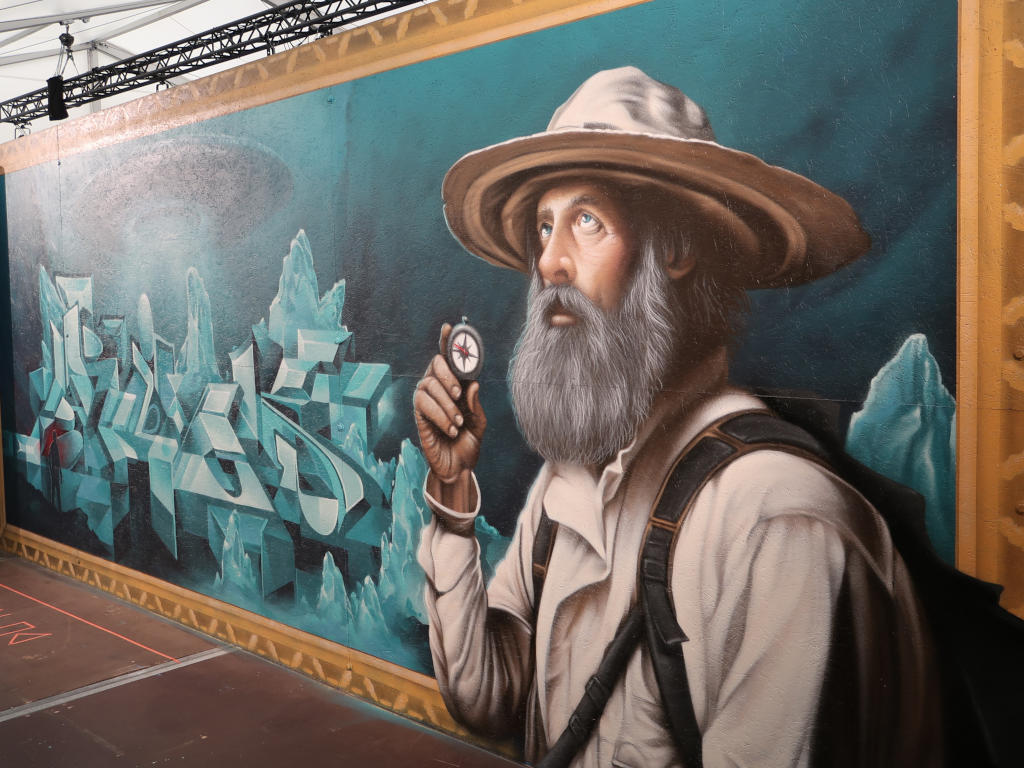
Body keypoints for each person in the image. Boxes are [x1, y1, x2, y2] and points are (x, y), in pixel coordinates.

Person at [413, 67, 941, 768]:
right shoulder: (567, 483)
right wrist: (453, 504)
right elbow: (488, 700)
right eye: (544, 226)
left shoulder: (778, 521)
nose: (549, 262)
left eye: (587, 221)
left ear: (677, 251)